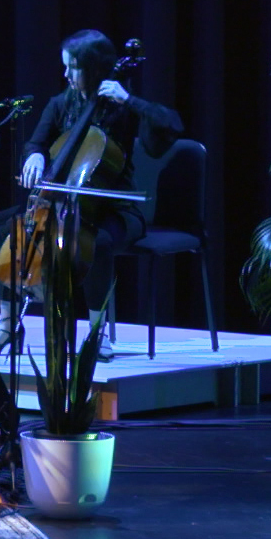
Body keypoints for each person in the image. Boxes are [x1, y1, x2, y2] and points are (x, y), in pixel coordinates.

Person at [15, 29, 181, 334]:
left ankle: (97, 332)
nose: (65, 74)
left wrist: (130, 100)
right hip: (68, 206)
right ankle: (6, 325)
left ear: (93, 69)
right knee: (13, 230)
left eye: (73, 68)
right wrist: (35, 156)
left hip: (117, 210)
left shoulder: (121, 107)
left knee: (96, 243)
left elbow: (172, 124)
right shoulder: (61, 104)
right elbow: (35, 142)